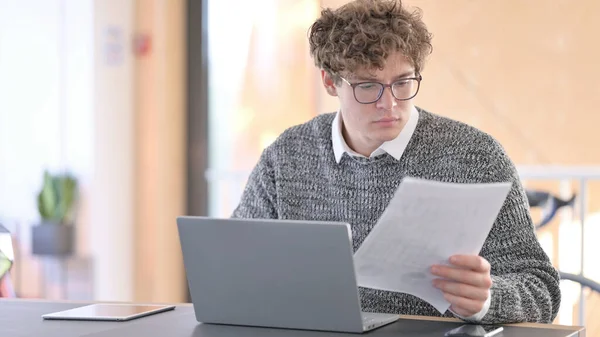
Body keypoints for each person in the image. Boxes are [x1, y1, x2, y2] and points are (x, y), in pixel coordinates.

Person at [232, 0, 560, 325]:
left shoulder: (476, 157)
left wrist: (486, 301)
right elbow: (235, 265)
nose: (388, 104)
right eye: (368, 86)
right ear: (330, 82)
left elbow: (541, 291)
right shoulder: (287, 155)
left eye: (402, 83)